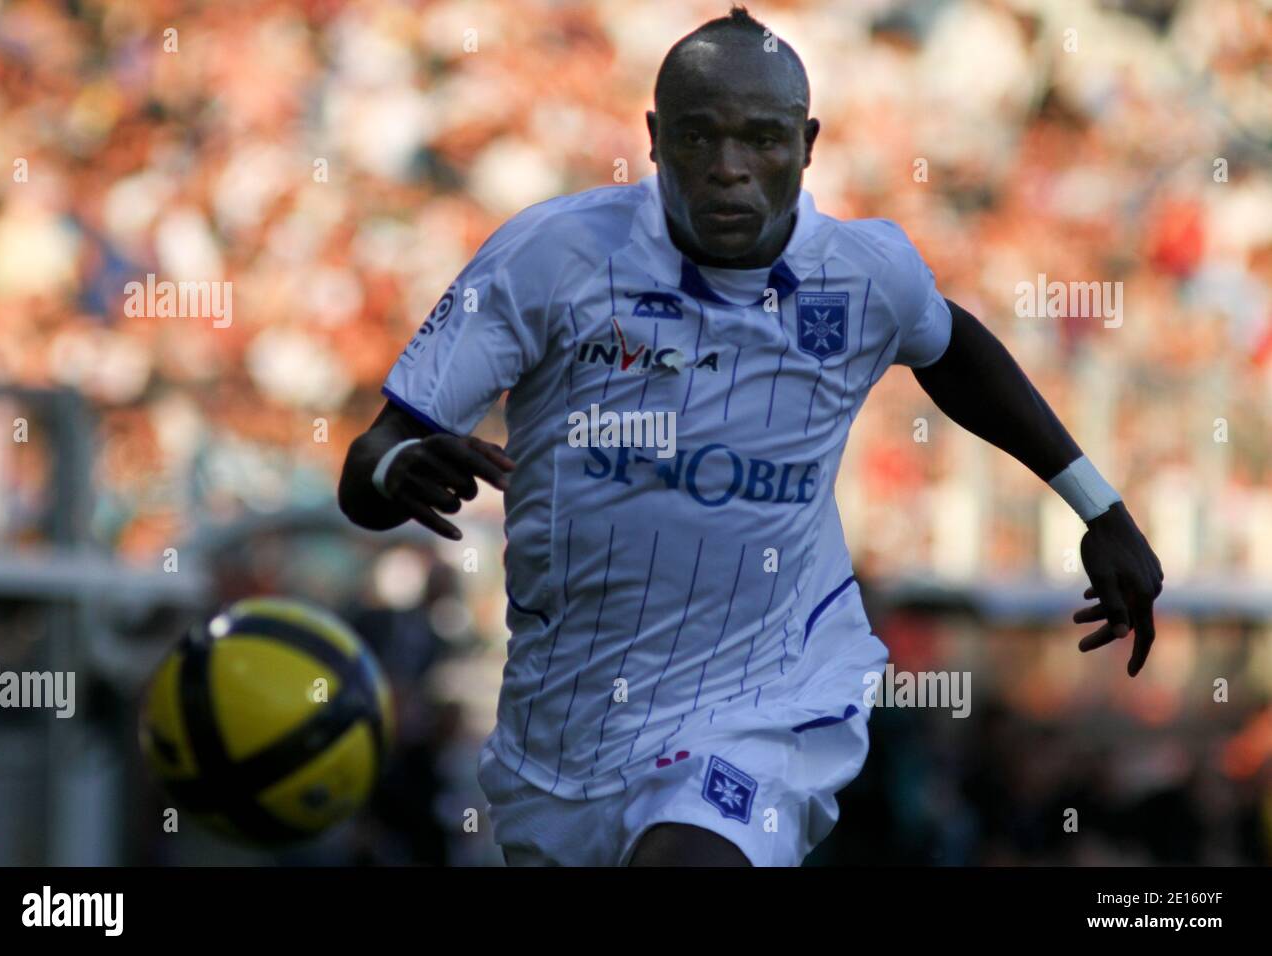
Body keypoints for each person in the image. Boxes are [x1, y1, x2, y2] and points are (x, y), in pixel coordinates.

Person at [338, 5, 1163, 866]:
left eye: (763, 140)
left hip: (768, 697)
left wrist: (1098, 508)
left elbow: (956, 352)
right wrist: (397, 465)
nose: (730, 170)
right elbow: (365, 467)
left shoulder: (862, 273)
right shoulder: (550, 258)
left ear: (808, 143)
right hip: (565, 725)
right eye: (698, 139)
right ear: (654, 139)